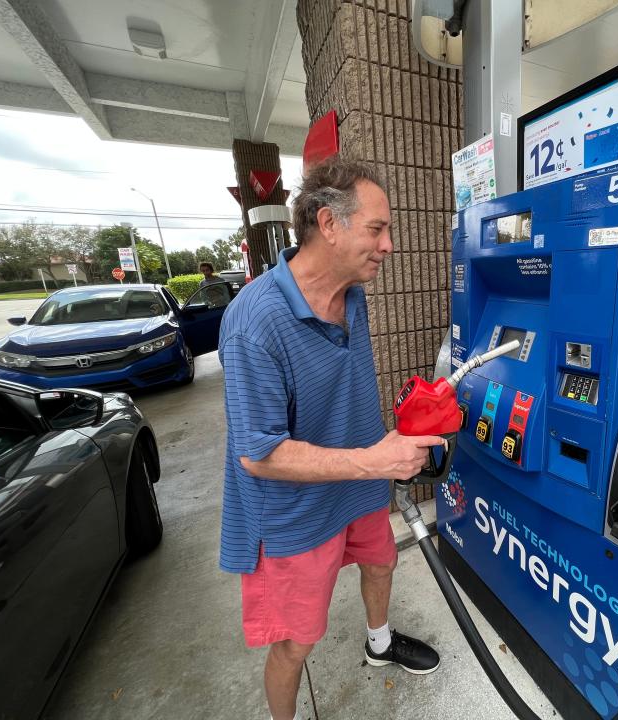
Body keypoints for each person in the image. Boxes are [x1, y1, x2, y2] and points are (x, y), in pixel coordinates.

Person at [218, 157, 444, 720]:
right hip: (293, 512)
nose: (389, 245)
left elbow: (340, 388)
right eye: (377, 229)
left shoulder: (353, 294)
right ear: (328, 223)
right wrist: (374, 460)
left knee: (382, 564)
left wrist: (393, 443)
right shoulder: (255, 322)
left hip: (358, 486)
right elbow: (260, 453)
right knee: (296, 642)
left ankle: (381, 643)